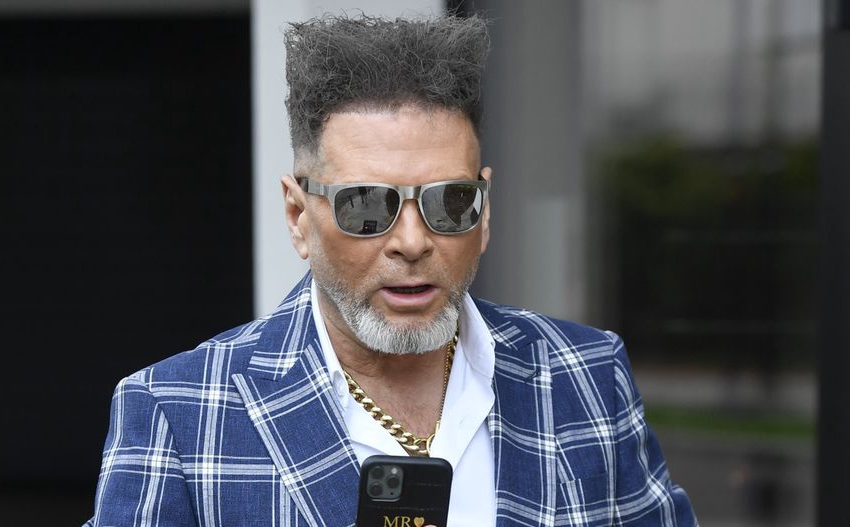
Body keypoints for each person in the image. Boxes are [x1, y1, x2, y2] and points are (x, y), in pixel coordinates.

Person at [84, 14, 696, 527]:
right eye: (365, 206)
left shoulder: (585, 377)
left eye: (449, 202)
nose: (411, 242)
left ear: (484, 211)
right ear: (299, 216)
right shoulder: (181, 411)